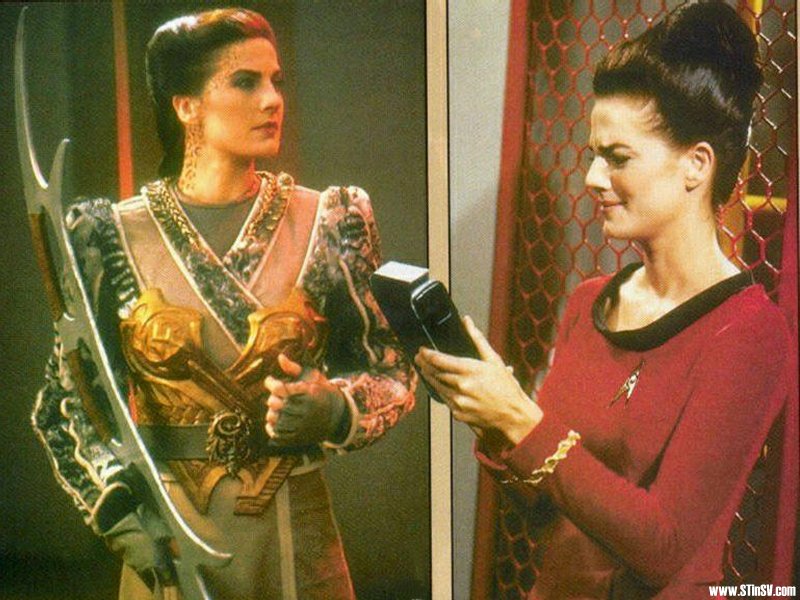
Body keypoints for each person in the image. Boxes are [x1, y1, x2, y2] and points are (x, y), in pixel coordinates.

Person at [31, 8, 416, 599]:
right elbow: (64, 406)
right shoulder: (109, 236)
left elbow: (393, 366)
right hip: (170, 546)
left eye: (276, 81)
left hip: (295, 544)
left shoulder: (329, 220)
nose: (272, 99)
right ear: (186, 105)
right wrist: (121, 517)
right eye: (245, 81)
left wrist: (335, 408)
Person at [416, 1, 792, 598]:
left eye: (617, 157)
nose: (592, 177)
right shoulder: (590, 302)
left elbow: (663, 546)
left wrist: (521, 420)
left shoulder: (749, 333)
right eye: (594, 154)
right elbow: (543, 509)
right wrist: (492, 418)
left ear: (696, 165)